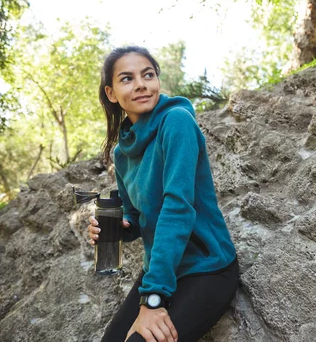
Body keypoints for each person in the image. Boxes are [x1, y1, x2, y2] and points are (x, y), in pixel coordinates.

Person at [87, 46, 238, 342]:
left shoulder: (177, 122)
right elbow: (135, 215)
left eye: (148, 75)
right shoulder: (122, 152)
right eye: (127, 79)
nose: (141, 84)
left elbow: (178, 209)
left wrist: (153, 300)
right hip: (160, 268)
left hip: (206, 268)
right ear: (112, 93)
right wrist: (117, 228)